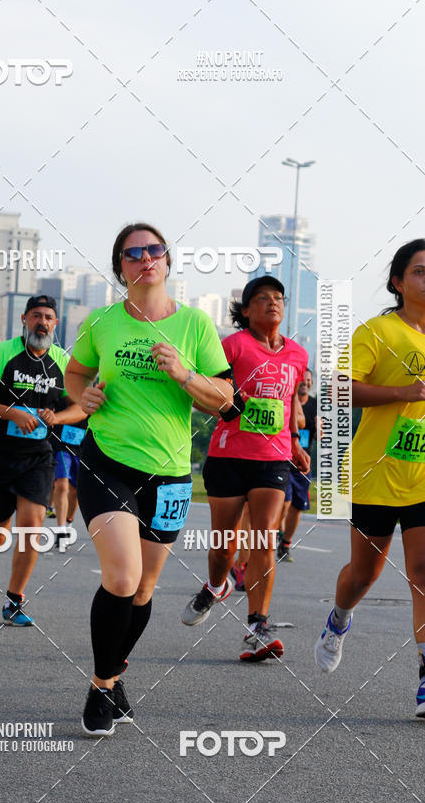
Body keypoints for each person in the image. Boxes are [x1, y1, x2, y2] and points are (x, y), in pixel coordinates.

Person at [65, 223, 233, 736]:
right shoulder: (102, 323)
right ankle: (99, 687)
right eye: (132, 253)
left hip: (170, 473)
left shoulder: (196, 327)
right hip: (106, 460)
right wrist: (83, 399)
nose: (145, 259)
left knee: (144, 588)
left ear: (166, 261)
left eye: (153, 251)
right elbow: (75, 375)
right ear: (121, 268)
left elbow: (224, 398)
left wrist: (185, 375)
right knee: (121, 577)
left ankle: (114, 675)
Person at [315, 239, 425, 718]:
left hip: (423, 476)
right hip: (374, 475)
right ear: (399, 282)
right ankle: (339, 619)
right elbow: (340, 388)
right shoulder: (377, 331)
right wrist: (405, 391)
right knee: (364, 575)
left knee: (423, 574)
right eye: (421, 271)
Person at [181, 276, 310, 662]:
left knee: (263, 538)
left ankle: (257, 626)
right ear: (247, 310)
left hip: (273, 459)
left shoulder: (298, 355)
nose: (272, 303)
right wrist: (227, 406)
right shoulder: (233, 346)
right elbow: (202, 393)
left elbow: (288, 404)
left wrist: (296, 443)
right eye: (262, 298)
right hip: (228, 455)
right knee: (223, 546)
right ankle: (216, 584)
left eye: (278, 298)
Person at [0, 294, 85, 626]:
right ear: (24, 320)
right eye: (36, 316)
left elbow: (82, 407)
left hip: (37, 458)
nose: (42, 322)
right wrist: (12, 413)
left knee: (31, 528)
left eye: (48, 317)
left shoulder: (63, 361)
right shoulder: (4, 353)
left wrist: (57, 418)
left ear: (56, 324)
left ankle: (14, 600)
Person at [277, 379, 318, 561]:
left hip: (302, 462)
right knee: (283, 503)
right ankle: (277, 531)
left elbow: (320, 433)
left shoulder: (315, 405)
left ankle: (285, 543)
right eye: (303, 379)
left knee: (297, 506)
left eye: (309, 380)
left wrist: (320, 430)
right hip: (283, 458)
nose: (306, 383)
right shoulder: (285, 399)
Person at [49, 407, 88, 548]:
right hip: (61, 446)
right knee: (62, 485)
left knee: (76, 491)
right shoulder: (63, 393)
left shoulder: (96, 391)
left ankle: (68, 524)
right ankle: (61, 531)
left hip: (82, 448)